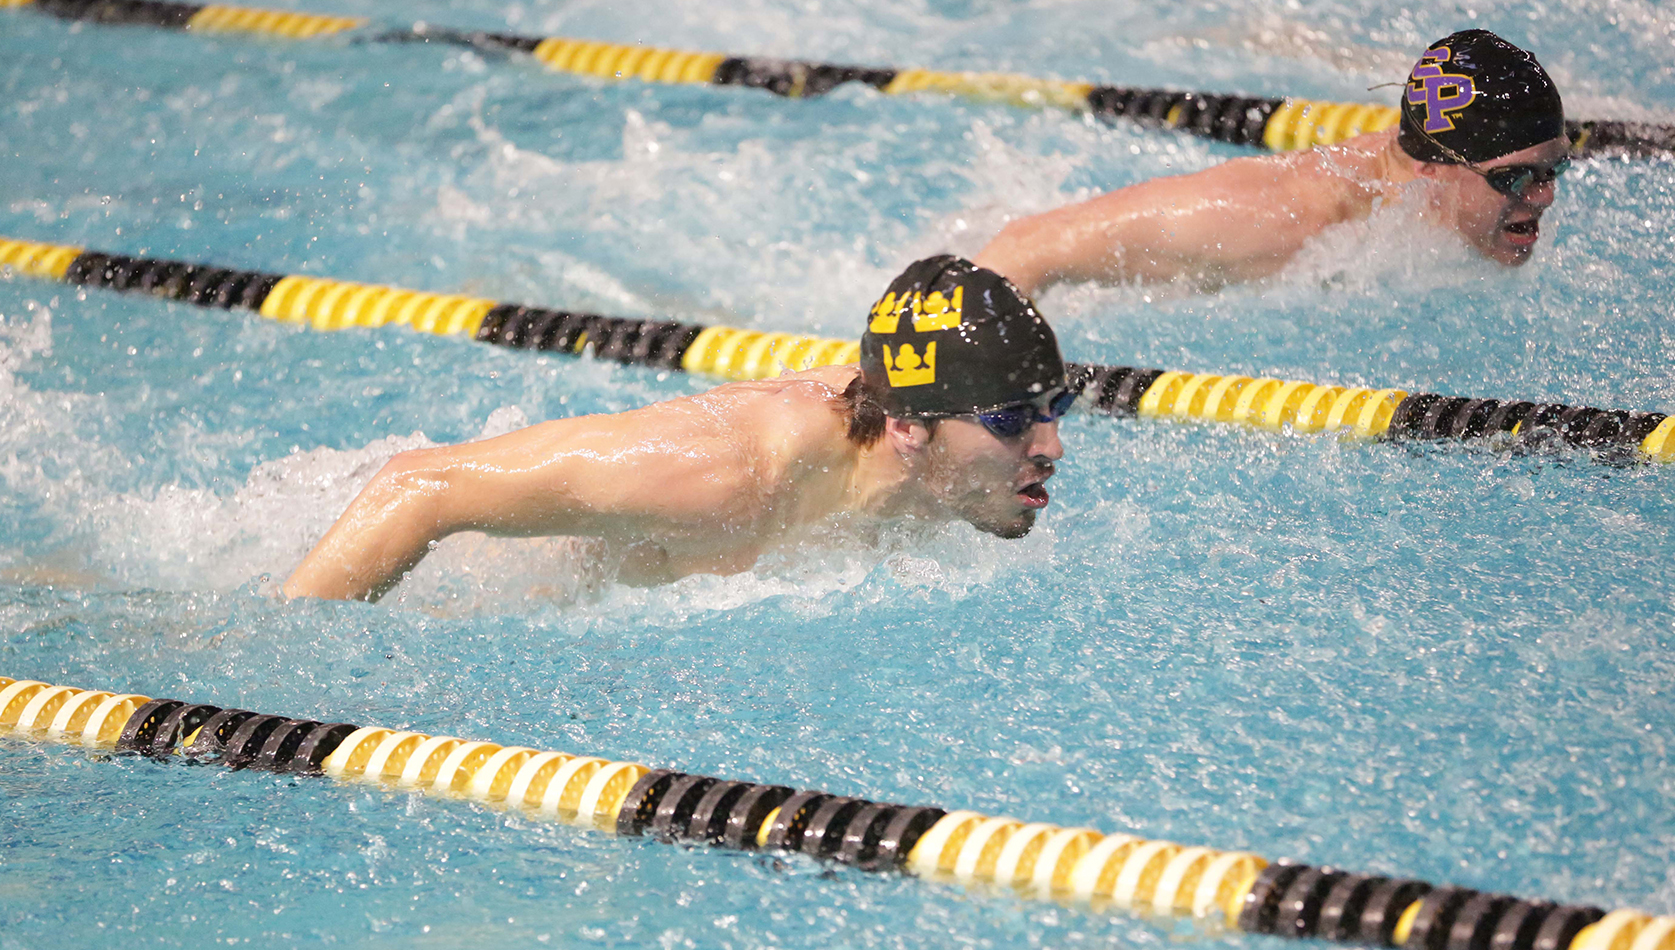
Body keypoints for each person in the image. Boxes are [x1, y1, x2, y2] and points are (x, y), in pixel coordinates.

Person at [282, 256, 1073, 602]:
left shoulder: (937, 465)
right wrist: (286, 667)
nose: (1050, 448)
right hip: (474, 587)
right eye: (1010, 420)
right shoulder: (723, 476)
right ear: (906, 426)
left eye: (1055, 407)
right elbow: (418, 486)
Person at [973, 29, 1571, 296]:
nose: (1543, 196)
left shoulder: (1428, 190)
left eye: (1554, 170)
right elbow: (1027, 245)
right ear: (1431, 169)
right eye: (1515, 178)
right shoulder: (1285, 220)